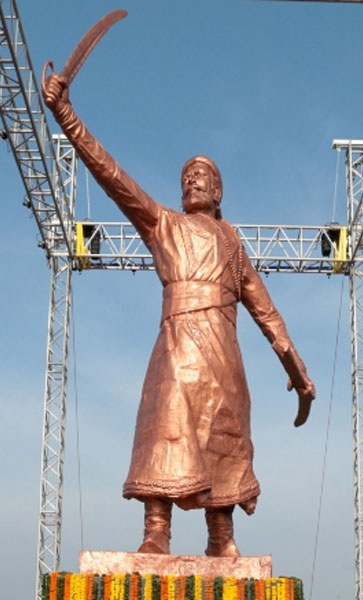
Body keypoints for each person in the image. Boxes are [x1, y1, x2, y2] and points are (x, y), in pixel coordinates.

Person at [43, 70, 315, 558]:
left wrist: (297, 370)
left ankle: (221, 538)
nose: (192, 179)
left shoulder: (233, 244)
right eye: (187, 175)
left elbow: (267, 313)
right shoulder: (162, 223)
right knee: (163, 426)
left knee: (225, 436)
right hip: (175, 344)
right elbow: (111, 175)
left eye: (202, 175)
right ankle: (156, 531)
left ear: (219, 192)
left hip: (223, 351)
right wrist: (65, 114)